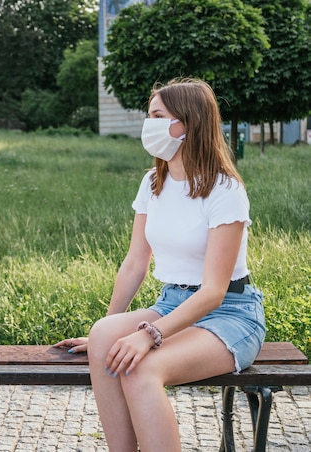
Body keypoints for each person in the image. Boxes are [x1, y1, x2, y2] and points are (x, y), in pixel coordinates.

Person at [55, 78, 265, 451]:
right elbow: (136, 262)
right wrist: (106, 331)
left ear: (187, 122)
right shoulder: (153, 182)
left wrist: (147, 334)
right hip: (172, 303)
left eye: (157, 115)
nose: (148, 125)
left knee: (142, 369)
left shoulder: (224, 189)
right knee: (105, 337)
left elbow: (214, 291)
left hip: (230, 314)